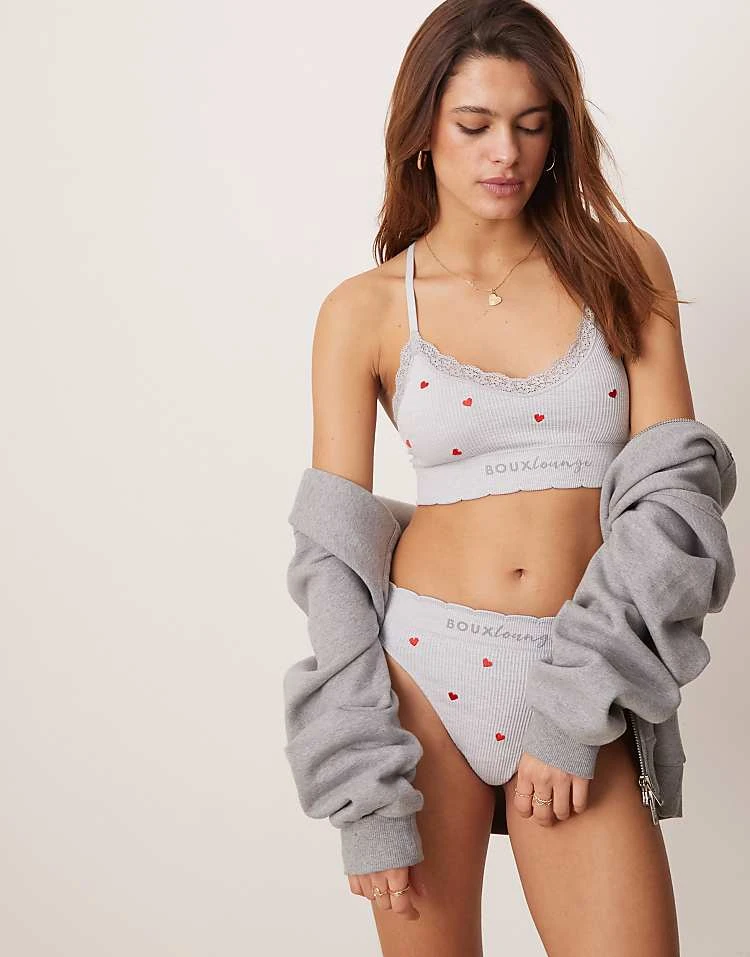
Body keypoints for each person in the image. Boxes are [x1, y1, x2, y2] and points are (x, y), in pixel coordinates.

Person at [303, 1, 697, 952]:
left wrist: (571, 711)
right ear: (422, 132)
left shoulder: (622, 264)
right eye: (474, 125)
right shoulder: (364, 309)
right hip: (421, 674)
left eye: (531, 124)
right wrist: (363, 794)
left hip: (579, 667)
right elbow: (333, 559)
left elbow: (674, 503)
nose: (505, 154)